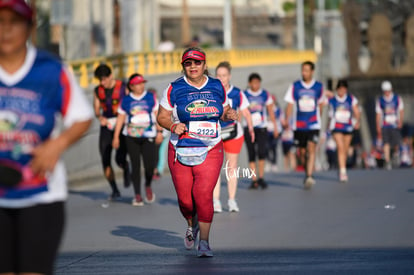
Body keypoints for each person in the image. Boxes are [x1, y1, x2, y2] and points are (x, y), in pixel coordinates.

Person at [0, 1, 93, 274]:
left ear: (29, 28)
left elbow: (81, 116)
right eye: (0, 22)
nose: (6, 30)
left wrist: (57, 144)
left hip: (41, 193)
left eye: (14, 22)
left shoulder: (50, 70)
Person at [157, 47, 237, 257]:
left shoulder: (217, 85)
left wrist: (229, 114)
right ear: (183, 66)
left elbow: (224, 110)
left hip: (211, 147)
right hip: (180, 148)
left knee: (202, 194)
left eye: (197, 62)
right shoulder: (174, 88)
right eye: (188, 63)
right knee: (185, 200)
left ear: (204, 64)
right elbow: (162, 116)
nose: (193, 67)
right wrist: (173, 126)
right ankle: (190, 223)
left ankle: (205, 242)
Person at [112, 74, 163, 206]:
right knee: (135, 165)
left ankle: (148, 184)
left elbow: (157, 115)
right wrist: (116, 136)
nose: (141, 86)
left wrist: (159, 132)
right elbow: (121, 118)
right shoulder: (126, 100)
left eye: (142, 83)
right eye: (138, 84)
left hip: (148, 135)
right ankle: (137, 195)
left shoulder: (150, 97)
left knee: (149, 166)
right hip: (131, 136)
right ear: (131, 86)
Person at [213, 61, 254, 213]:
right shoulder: (212, 92)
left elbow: (246, 112)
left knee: (231, 167)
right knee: (215, 168)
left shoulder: (237, 93)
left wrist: (251, 128)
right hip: (215, 134)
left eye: (224, 75)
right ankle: (215, 201)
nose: (221, 78)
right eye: (218, 75)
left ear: (229, 76)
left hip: (233, 134)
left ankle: (231, 200)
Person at [284, 61, 326, 189]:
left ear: (312, 72)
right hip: (299, 124)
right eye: (303, 70)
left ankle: (309, 175)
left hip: (313, 124)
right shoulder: (295, 86)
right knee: (302, 152)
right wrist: (287, 119)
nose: (304, 73)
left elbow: (321, 103)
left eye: (307, 70)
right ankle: (306, 168)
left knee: (311, 148)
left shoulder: (318, 87)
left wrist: (318, 116)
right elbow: (290, 104)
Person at [93, 64, 130, 200]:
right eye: (100, 80)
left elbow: (129, 103)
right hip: (107, 125)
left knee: (119, 158)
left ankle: (126, 167)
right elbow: (97, 109)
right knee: (105, 158)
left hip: (122, 124)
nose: (102, 83)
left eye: (104, 79)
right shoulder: (97, 90)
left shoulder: (123, 87)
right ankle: (114, 189)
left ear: (110, 76)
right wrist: (100, 117)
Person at [243, 73, 279, 189]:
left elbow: (270, 110)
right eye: (253, 83)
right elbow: (240, 111)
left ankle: (261, 177)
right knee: (251, 153)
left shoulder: (264, 94)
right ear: (249, 83)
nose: (255, 85)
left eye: (257, 83)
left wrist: (275, 126)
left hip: (262, 127)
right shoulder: (245, 95)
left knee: (262, 152)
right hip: (248, 128)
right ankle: (254, 180)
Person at [327, 80, 360, 182]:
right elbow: (322, 100)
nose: (341, 91)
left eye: (343, 89)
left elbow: (356, 111)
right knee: (340, 148)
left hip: (348, 127)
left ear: (346, 89)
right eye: (340, 89)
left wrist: (357, 121)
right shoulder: (333, 100)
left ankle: (342, 166)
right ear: (337, 90)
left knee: (345, 150)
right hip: (336, 127)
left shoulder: (351, 99)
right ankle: (343, 171)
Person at [375, 80, 404, 170]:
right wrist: (378, 126)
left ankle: (395, 154)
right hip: (385, 125)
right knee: (386, 143)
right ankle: (387, 161)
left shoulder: (397, 98)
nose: (387, 93)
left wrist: (400, 121)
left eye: (388, 90)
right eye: (385, 91)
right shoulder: (380, 100)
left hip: (395, 125)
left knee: (396, 143)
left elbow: (401, 110)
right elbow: (378, 114)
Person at [266, 97, 283, 173]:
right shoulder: (266, 109)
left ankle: (274, 163)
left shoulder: (278, 110)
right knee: (266, 147)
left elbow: (280, 119)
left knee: (274, 147)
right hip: (267, 130)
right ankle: (268, 162)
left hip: (276, 130)